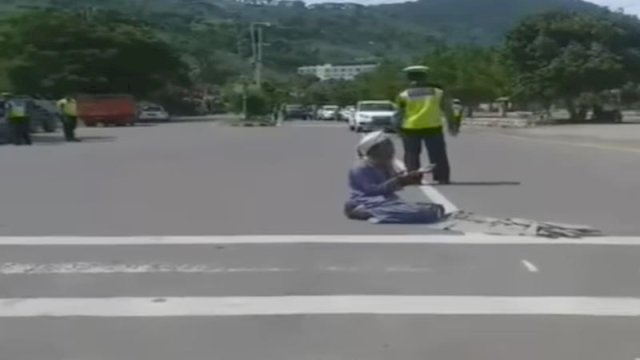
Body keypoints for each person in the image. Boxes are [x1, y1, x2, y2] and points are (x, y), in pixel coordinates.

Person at [344, 131, 445, 224]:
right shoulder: (361, 168)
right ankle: (365, 212)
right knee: (422, 213)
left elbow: (391, 185)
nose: (390, 150)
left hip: (388, 202)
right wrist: (400, 180)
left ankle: (383, 213)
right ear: (375, 150)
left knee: (434, 209)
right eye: (386, 147)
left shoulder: (383, 165)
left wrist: (410, 178)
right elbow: (373, 190)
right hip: (369, 203)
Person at [395, 65, 459, 184]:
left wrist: (397, 129)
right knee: (438, 154)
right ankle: (442, 177)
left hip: (410, 127)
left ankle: (413, 178)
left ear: (409, 79)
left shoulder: (403, 95)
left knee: (411, 155)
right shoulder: (437, 92)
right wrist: (452, 124)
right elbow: (448, 109)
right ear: (425, 77)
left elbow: (399, 114)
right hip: (432, 126)